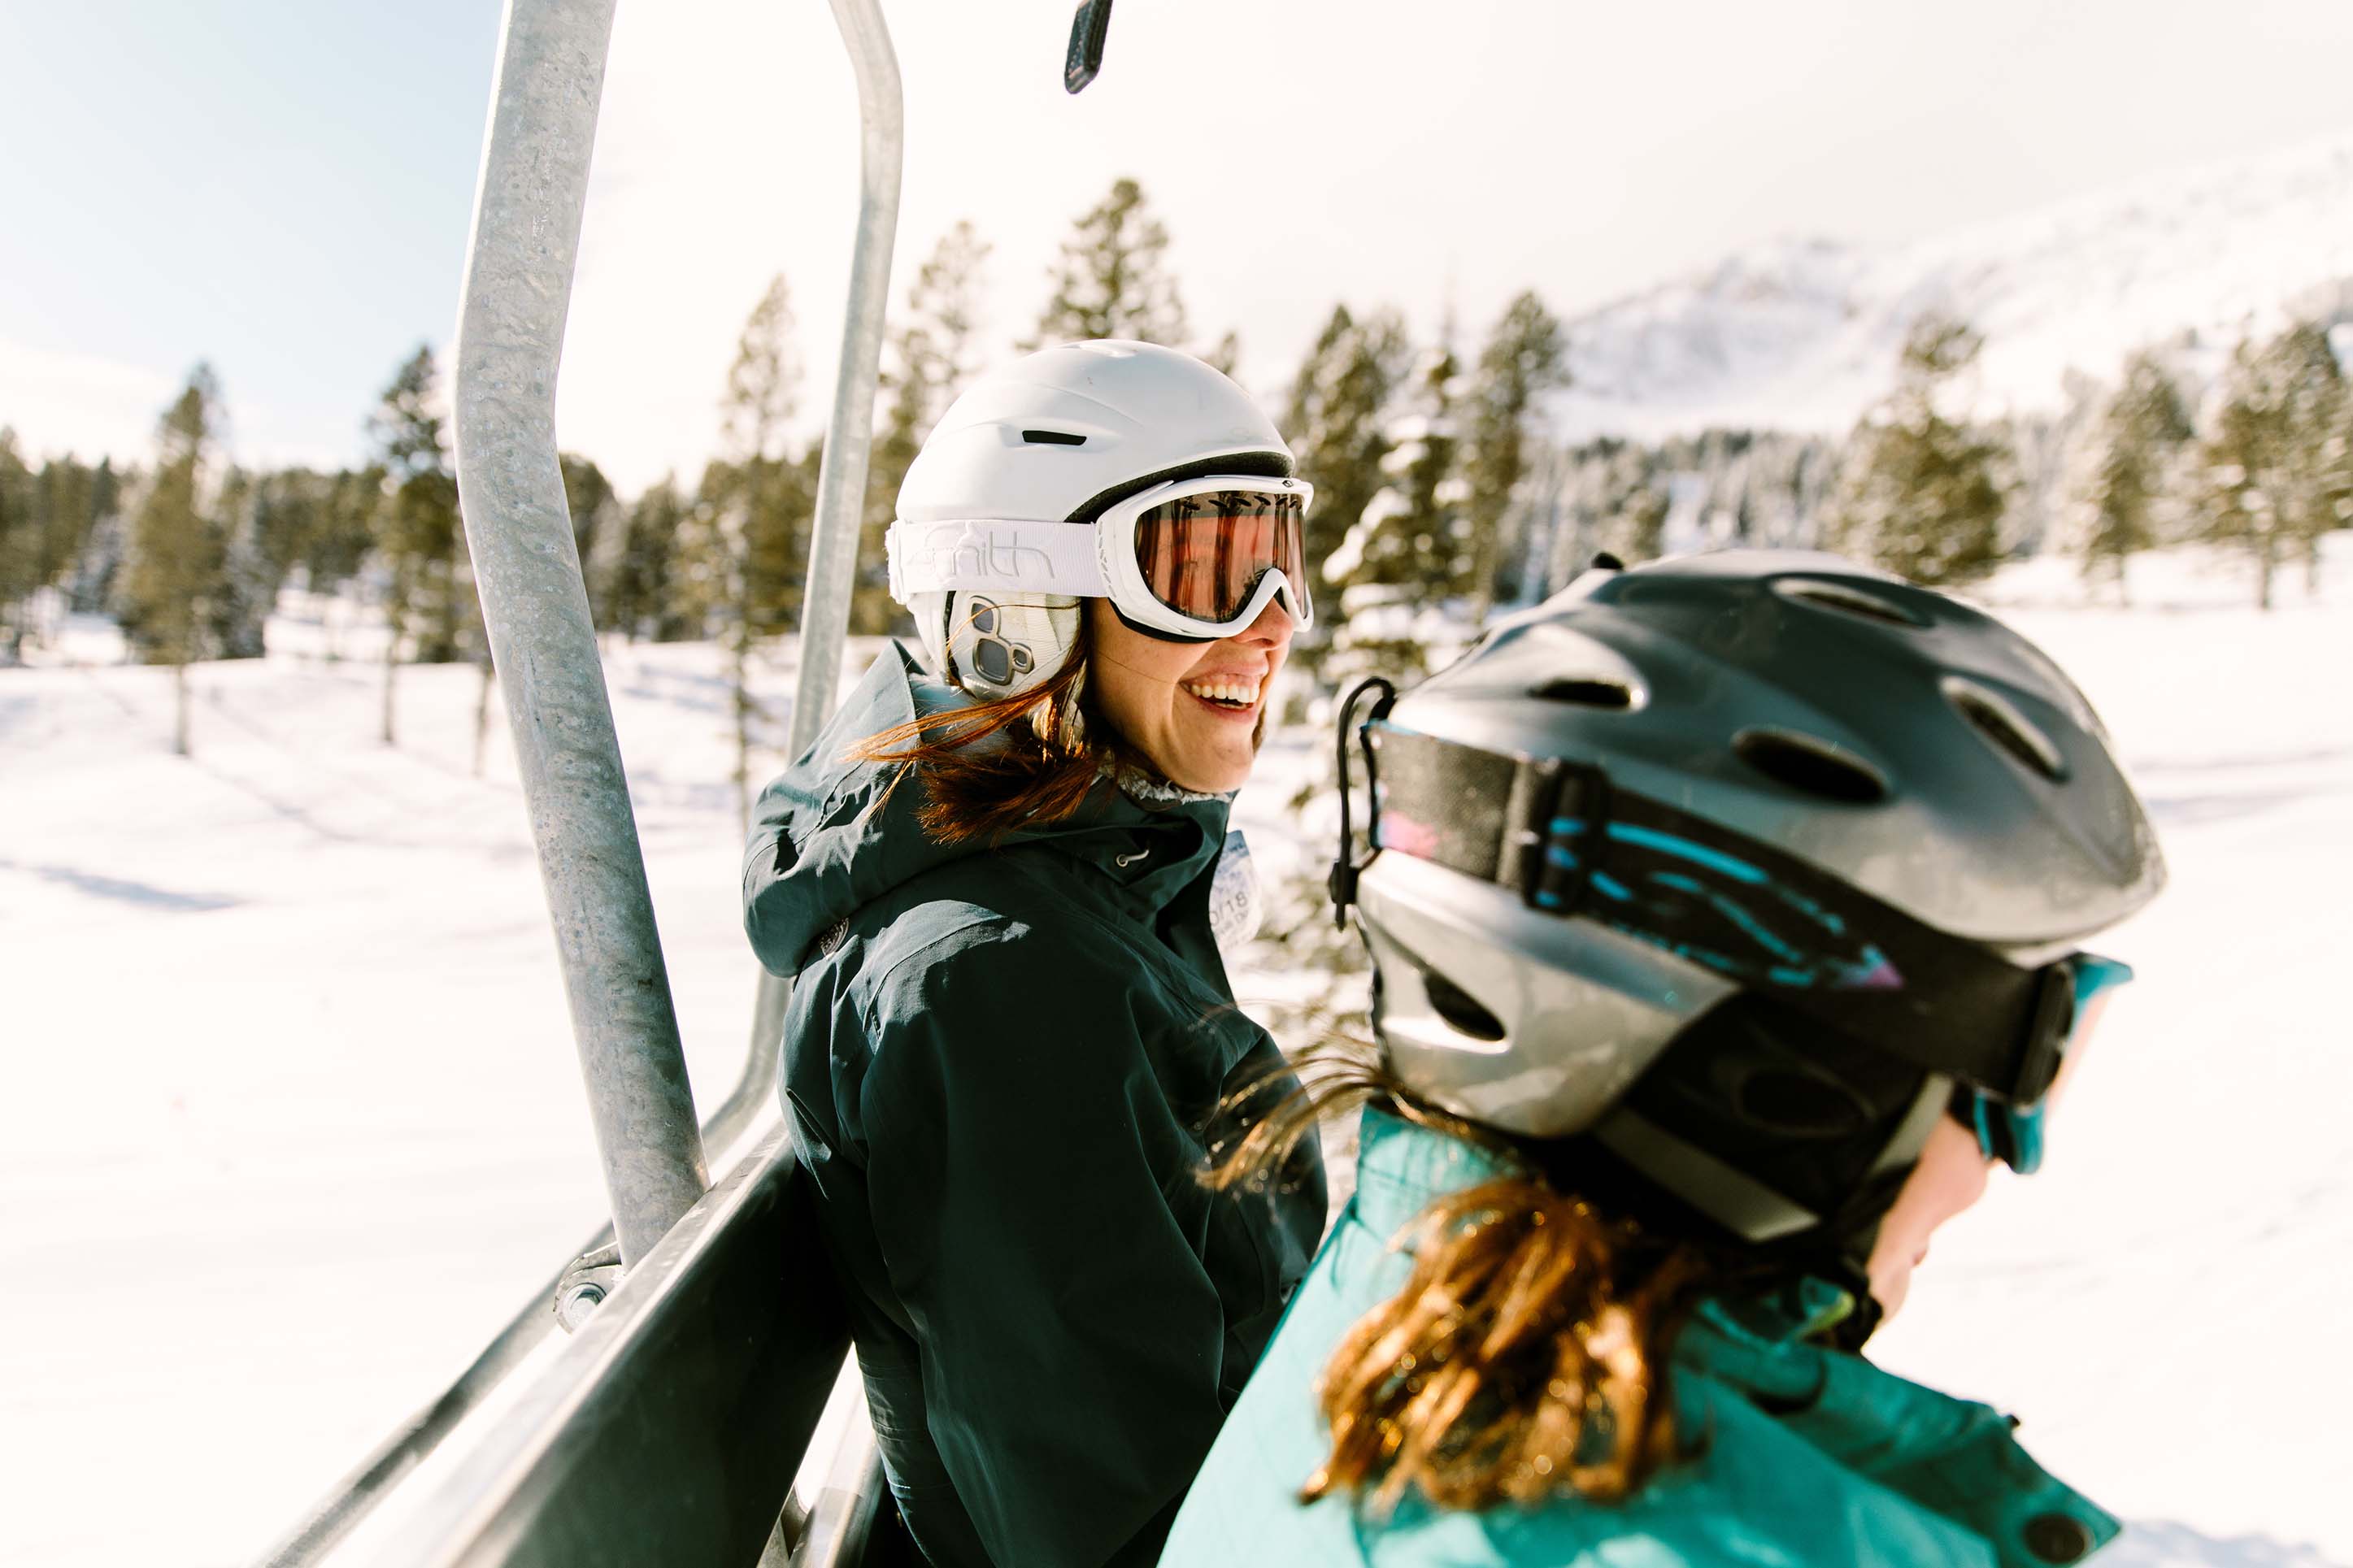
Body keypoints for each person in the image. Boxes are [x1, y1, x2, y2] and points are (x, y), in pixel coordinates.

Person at [1160, 550, 2165, 1567]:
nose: (2001, 1162)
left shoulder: (1387, 1313)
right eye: (2024, 1074)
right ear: (1799, 1080)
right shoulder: (1704, 1543)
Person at [743, 341, 1329, 1568]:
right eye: (1205, 571)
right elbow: (1123, 1530)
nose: (1272, 624)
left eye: (1277, 560)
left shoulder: (1089, 886)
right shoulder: (998, 979)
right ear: (1015, 606)